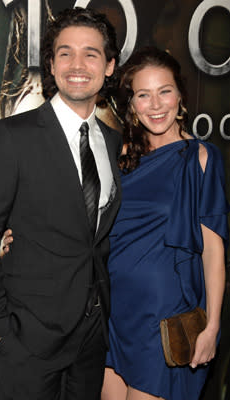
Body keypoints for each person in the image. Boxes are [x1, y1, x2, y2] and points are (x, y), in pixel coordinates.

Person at [0, 7, 122, 400]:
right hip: (27, 340)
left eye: (91, 53)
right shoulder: (10, 137)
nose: (77, 64)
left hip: (92, 339)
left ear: (109, 66)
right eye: (65, 53)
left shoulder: (114, 142)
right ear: (50, 65)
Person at [101, 47, 229, 400]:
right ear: (132, 103)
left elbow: (213, 250)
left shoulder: (200, 158)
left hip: (161, 314)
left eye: (164, 91)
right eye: (144, 95)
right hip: (114, 309)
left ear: (180, 96)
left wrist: (212, 324)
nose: (156, 105)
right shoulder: (120, 157)